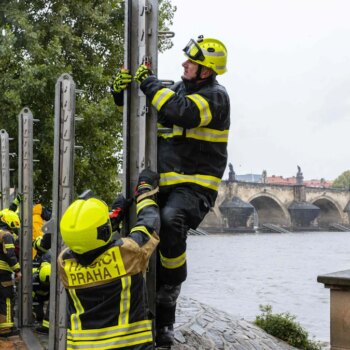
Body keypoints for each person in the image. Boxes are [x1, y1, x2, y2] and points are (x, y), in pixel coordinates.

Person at [111, 35, 230, 346]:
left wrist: (148, 83)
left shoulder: (216, 97)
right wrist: (121, 90)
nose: (184, 64)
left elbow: (182, 111)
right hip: (165, 182)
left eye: (191, 62)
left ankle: (169, 295)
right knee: (125, 214)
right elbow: (144, 107)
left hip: (195, 187)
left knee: (170, 218)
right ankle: (130, 308)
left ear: (206, 71)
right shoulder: (176, 89)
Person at [58, 168, 160, 350]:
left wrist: (113, 216)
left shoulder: (64, 263)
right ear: (103, 231)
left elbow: (87, 242)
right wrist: (144, 191)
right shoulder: (127, 253)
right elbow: (148, 224)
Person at [0, 209, 22, 337]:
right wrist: (17, 270)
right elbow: (10, 254)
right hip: (3, 272)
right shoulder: (6, 235)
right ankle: (6, 329)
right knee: (7, 298)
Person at [32, 253, 51, 334]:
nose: (45, 285)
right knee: (39, 316)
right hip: (37, 297)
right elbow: (29, 297)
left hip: (49, 295)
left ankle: (47, 326)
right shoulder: (33, 278)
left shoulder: (56, 280)